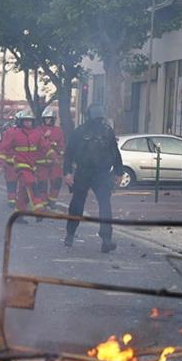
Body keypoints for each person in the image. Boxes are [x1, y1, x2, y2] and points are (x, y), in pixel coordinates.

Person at [62, 103, 123, 253]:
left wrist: (118, 172)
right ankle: (70, 233)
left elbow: (115, 152)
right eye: (96, 118)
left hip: (101, 174)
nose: (98, 121)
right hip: (84, 172)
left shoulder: (107, 132)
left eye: (100, 118)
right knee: (77, 204)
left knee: (105, 205)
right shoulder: (79, 132)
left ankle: (106, 239)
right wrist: (67, 172)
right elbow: (69, 153)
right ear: (89, 117)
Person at [0, 110, 47, 219]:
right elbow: (4, 148)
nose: (28, 123)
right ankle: (38, 209)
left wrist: (53, 156)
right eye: (25, 121)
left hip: (32, 165)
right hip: (20, 164)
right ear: (20, 121)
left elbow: (44, 148)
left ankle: (18, 214)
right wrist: (1, 163)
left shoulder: (37, 133)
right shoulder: (12, 132)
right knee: (30, 183)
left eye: (30, 121)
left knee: (23, 192)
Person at [38, 107, 66, 208]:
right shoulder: (39, 130)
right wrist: (45, 137)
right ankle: (43, 202)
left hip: (55, 162)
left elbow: (61, 144)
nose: (47, 120)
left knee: (56, 182)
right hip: (41, 162)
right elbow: (37, 143)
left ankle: (52, 201)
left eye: (49, 118)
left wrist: (60, 152)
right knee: (42, 184)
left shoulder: (58, 131)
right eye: (46, 118)